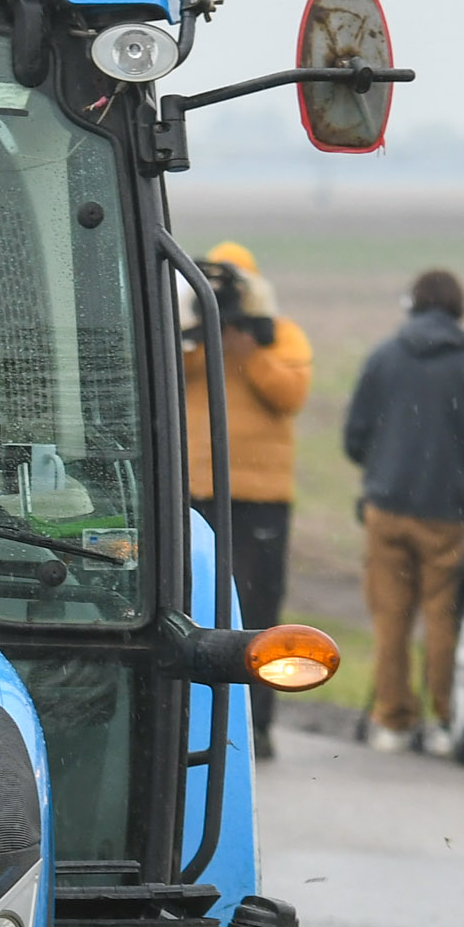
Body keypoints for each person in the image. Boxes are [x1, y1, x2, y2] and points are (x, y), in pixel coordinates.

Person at [344, 268, 464, 755]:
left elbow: (354, 436)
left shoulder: (384, 357)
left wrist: (383, 470)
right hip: (448, 515)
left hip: (385, 509)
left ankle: (393, 723)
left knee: (390, 618)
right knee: (443, 619)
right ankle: (443, 722)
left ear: (412, 305)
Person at [181, 241, 314, 758]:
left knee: (259, 610)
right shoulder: (191, 342)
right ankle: (199, 717)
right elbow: (167, 370)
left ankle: (257, 725)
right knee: (199, 607)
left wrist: (246, 351)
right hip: (200, 491)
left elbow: (291, 395)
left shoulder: (279, 338)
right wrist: (204, 338)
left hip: (261, 497)